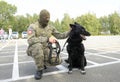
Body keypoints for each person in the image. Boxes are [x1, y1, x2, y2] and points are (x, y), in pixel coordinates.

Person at [27, 9, 70, 80]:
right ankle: (39, 69)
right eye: (45, 19)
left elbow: (60, 35)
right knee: (38, 46)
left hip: (46, 48)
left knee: (56, 60)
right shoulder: (33, 26)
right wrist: (47, 39)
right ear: (40, 18)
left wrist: (70, 31)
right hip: (34, 49)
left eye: (48, 19)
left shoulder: (50, 27)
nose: (47, 21)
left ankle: (43, 62)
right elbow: (30, 40)